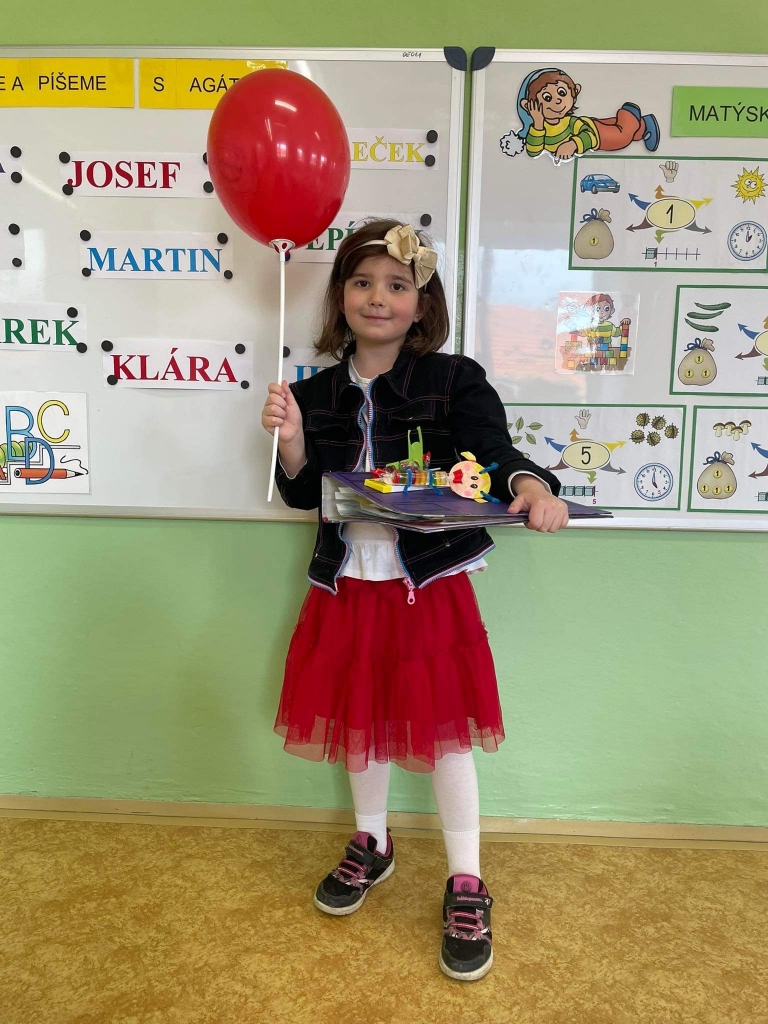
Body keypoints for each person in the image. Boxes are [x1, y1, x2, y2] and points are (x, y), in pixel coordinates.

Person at [261, 220, 568, 982]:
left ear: (421, 301)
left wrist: (532, 486)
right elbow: (305, 494)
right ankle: (373, 840)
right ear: (340, 295)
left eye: (397, 285)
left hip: (425, 585)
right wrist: (293, 440)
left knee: (446, 734)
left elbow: (495, 452)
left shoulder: (454, 379)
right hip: (346, 581)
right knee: (358, 721)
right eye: (362, 282)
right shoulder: (314, 391)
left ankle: (467, 878)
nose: (379, 298)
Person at [500, 67, 659, 163]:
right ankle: (644, 126)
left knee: (621, 137)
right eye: (547, 97)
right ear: (527, 105)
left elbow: (588, 134)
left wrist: (573, 144)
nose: (557, 101)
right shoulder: (537, 130)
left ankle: (629, 112)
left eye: (562, 93)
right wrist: (538, 124)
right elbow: (533, 151)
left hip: (595, 133)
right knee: (617, 126)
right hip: (591, 125)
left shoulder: (569, 122)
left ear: (574, 92)